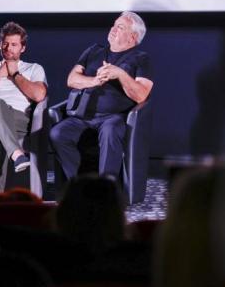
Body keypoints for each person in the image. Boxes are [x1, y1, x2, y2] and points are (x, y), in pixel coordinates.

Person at [50, 11, 153, 180]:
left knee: (110, 130)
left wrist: (120, 74)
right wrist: (95, 81)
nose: (113, 29)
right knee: (58, 133)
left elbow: (141, 95)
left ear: (133, 36)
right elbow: (72, 79)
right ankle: (79, 184)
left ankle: (106, 188)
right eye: (114, 25)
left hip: (113, 118)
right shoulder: (94, 51)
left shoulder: (141, 59)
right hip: (83, 116)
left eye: (120, 27)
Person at [0, 22, 47, 196]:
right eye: (5, 43)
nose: (8, 48)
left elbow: (39, 95)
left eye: (14, 44)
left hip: (18, 119)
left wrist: (15, 75)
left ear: (23, 48)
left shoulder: (34, 68)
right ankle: (17, 154)